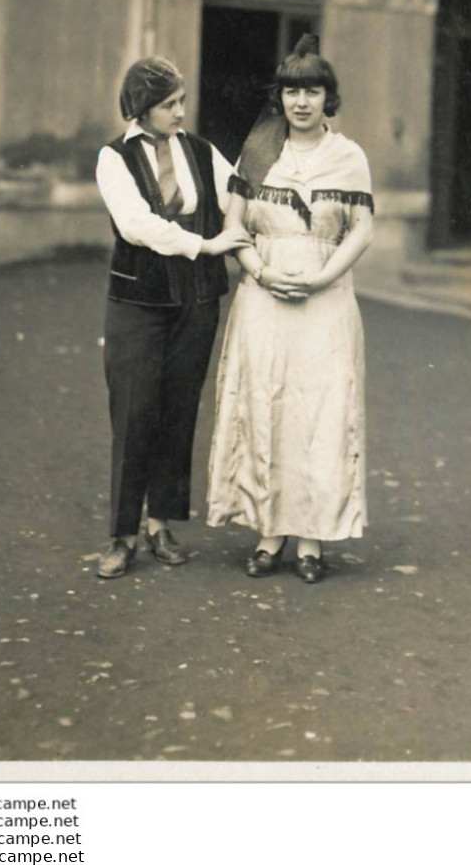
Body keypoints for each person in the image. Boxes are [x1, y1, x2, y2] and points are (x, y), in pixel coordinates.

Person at [207, 34, 374, 583]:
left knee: (321, 414)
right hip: (265, 298)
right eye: (291, 92)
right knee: (266, 406)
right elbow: (234, 226)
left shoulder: (349, 157)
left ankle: (310, 541)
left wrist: (324, 276)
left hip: (326, 302)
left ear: (329, 98)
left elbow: (361, 229)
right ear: (278, 98)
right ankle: (268, 534)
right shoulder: (255, 152)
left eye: (313, 92)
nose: (301, 103)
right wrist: (260, 271)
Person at [95, 57, 250, 579]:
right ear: (142, 109)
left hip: (196, 302)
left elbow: (242, 190)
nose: (181, 112)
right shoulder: (113, 159)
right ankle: (122, 535)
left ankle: (160, 523)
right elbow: (138, 226)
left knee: (179, 411)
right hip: (138, 303)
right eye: (169, 105)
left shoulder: (201, 151)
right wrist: (209, 244)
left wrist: (254, 228)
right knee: (134, 413)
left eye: (182, 101)